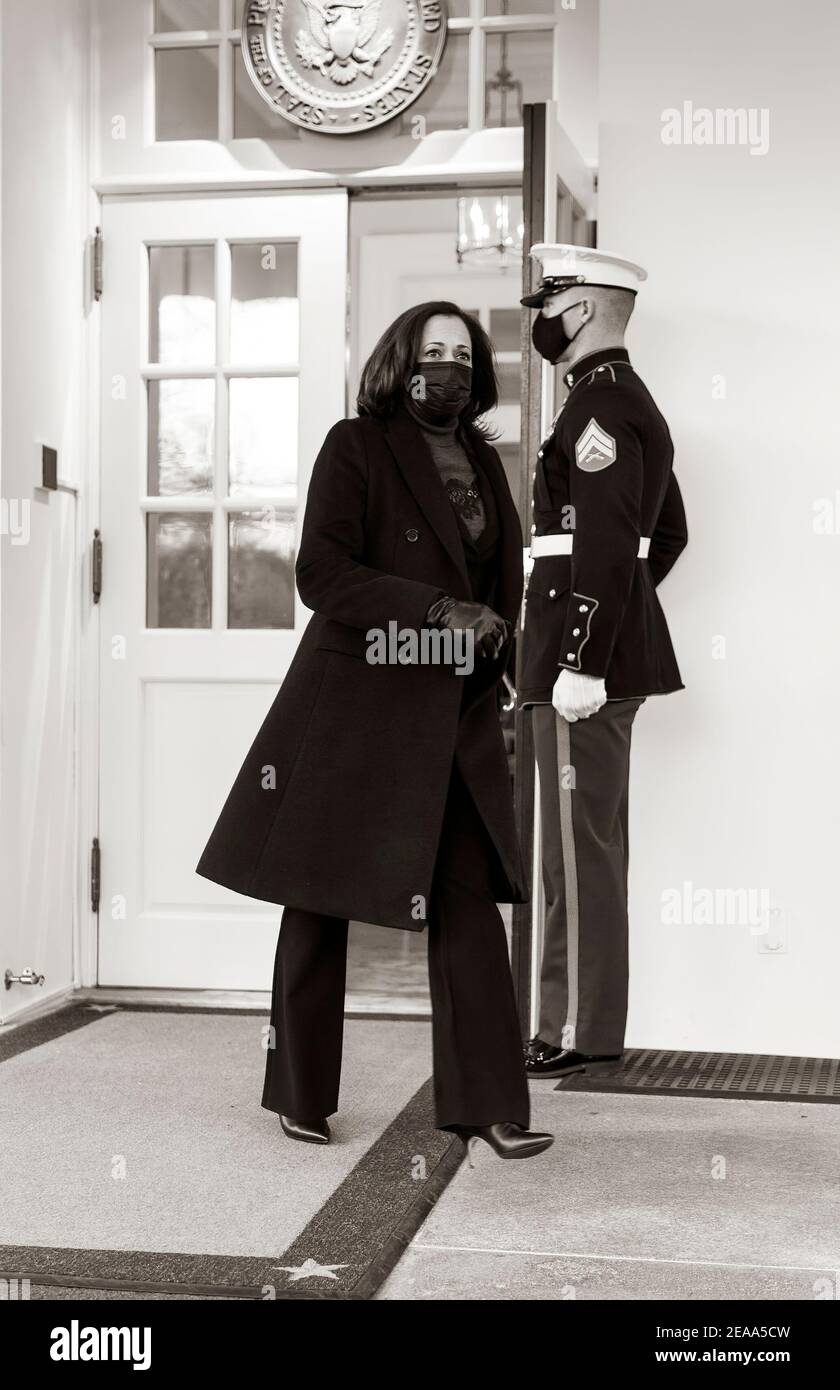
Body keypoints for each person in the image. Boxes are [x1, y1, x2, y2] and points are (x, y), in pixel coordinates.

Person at [196, 301, 553, 1161]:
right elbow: (321, 571)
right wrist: (434, 609)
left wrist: (503, 661)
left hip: (456, 709)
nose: (447, 368)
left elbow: (501, 584)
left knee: (467, 902)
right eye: (432, 352)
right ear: (402, 359)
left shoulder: (481, 456)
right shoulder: (354, 444)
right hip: (357, 703)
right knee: (320, 900)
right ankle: (302, 1094)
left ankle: (491, 1105)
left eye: (462, 356)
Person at [519, 244, 688, 1080]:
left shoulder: (598, 410)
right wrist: (617, 621)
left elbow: (616, 541)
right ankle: (578, 1023)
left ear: (578, 310)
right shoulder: (624, 403)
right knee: (584, 848)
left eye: (547, 305)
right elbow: (667, 537)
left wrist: (585, 655)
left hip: (578, 668)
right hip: (591, 660)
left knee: (575, 855)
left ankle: (573, 1031)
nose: (540, 322)